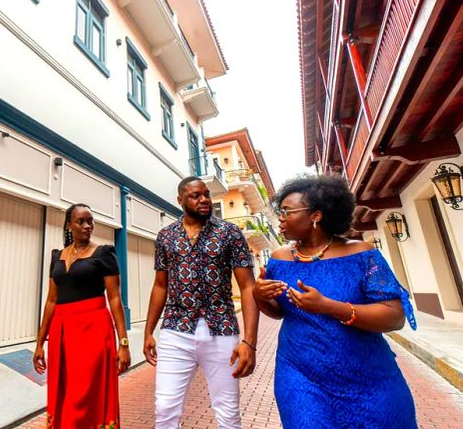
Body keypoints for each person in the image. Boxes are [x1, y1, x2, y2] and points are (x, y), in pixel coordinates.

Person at [253, 174, 418, 429]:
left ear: (316, 216)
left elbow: (394, 316)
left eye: (287, 212)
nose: (280, 219)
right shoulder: (278, 258)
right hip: (299, 373)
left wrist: (327, 306)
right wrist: (260, 296)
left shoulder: (361, 254)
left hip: (368, 375)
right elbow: (278, 311)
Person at [144, 177, 259, 429]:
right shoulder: (166, 236)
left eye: (206, 194)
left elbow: (248, 286)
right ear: (180, 200)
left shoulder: (229, 233)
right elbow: (160, 285)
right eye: (196, 195)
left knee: (228, 412)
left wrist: (249, 341)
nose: (204, 199)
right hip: (175, 329)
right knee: (164, 408)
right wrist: (148, 332)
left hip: (222, 329)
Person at [33, 203, 130, 429]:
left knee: (85, 392)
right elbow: (51, 300)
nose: (88, 226)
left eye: (90, 221)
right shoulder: (57, 256)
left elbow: (115, 299)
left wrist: (123, 343)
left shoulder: (104, 254)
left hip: (93, 329)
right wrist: (39, 343)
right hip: (62, 332)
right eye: (81, 222)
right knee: (63, 390)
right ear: (69, 225)